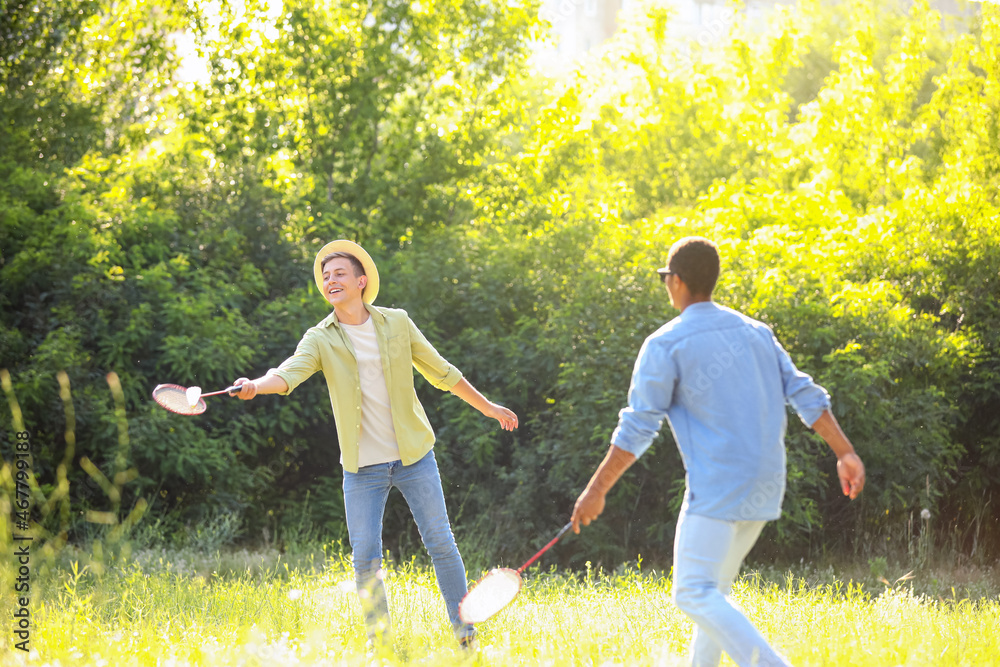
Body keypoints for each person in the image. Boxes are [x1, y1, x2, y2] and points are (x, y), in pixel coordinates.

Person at [570, 237, 865, 667]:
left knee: (692, 592)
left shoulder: (665, 344)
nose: (665, 284)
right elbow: (805, 393)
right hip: (767, 484)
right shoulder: (756, 332)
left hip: (717, 490)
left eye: (665, 277)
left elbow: (637, 427)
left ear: (678, 281)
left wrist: (596, 490)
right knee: (713, 594)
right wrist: (846, 453)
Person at [231, 239, 517, 649]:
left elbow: (442, 371)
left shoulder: (397, 323)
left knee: (440, 543)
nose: (331, 281)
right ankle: (381, 644)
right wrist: (255, 386)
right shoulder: (320, 338)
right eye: (326, 277)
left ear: (361, 281)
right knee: (365, 557)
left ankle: (465, 631)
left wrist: (487, 407)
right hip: (361, 467)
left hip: (414, 456)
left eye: (340, 274)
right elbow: (288, 373)